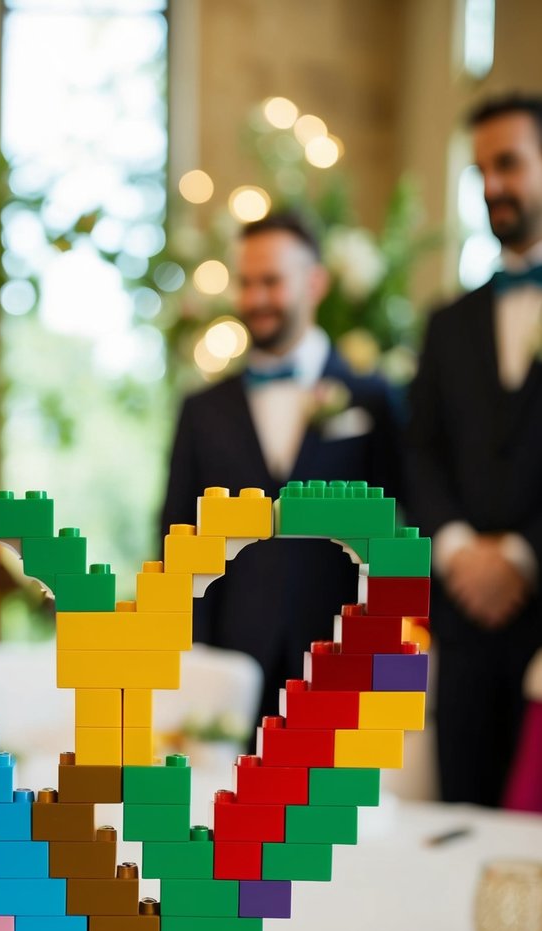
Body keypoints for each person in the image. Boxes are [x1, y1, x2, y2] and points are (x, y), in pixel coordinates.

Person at [161, 212, 403, 734]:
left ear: (315, 282)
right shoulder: (203, 409)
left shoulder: (373, 398)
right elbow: (178, 538)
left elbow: (396, 532)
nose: (255, 299)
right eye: (245, 283)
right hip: (231, 661)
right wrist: (193, 660)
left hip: (342, 659)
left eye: (271, 281)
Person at [408, 94, 542, 807]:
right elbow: (419, 452)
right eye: (480, 170)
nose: (492, 185)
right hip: (461, 620)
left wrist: (521, 555)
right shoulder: (447, 323)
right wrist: (458, 551)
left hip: (539, 601)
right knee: (458, 816)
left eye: (509, 164)